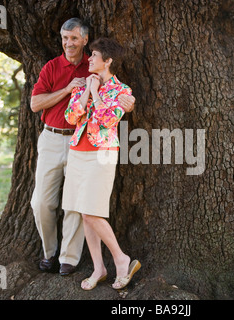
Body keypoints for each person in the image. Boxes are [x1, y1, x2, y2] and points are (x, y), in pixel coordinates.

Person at [30, 18, 135, 276]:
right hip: (57, 139)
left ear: (85, 41)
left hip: (92, 147)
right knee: (42, 202)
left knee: (78, 206)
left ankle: (70, 257)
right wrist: (72, 90)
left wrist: (117, 100)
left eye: (74, 38)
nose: (68, 43)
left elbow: (109, 112)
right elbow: (52, 109)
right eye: (65, 38)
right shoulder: (53, 67)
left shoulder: (101, 74)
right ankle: (49, 252)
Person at [62, 37, 141, 290]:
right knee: (85, 213)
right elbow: (71, 116)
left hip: (102, 153)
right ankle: (99, 268)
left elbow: (108, 121)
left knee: (92, 211)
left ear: (107, 61)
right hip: (77, 152)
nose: (89, 59)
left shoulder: (122, 91)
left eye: (94, 55)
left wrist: (96, 92)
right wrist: (87, 89)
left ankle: (121, 259)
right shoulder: (81, 86)